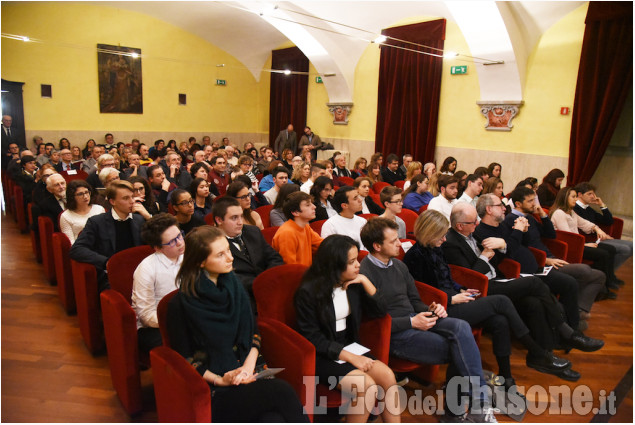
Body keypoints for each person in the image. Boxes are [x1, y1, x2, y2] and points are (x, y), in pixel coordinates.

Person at [403, 212, 567, 404]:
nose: (444, 238)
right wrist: (452, 297)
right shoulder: (415, 256)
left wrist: (461, 289)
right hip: (442, 309)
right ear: (429, 233)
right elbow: (420, 292)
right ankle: (536, 352)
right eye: (440, 235)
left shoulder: (435, 248)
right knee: (501, 302)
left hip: (454, 299)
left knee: (500, 320)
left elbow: (447, 279)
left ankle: (507, 377)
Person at [358, 218, 497, 422]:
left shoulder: (398, 265)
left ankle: (472, 407)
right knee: (460, 349)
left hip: (416, 319)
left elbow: (414, 301)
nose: (400, 244)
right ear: (377, 246)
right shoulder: (365, 273)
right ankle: (460, 410)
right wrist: (411, 322)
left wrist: (432, 309)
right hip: (394, 333)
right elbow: (371, 321)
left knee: (461, 327)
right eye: (393, 241)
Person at [166, 226, 307, 423]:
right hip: (215, 387)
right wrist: (220, 379)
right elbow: (185, 359)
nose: (230, 258)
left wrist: (247, 368)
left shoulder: (234, 285)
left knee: (273, 419)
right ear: (200, 262)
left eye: (228, 251)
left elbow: (253, 333)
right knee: (281, 391)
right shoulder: (180, 305)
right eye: (220, 255)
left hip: (247, 372)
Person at [442, 203, 604, 367]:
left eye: (476, 220)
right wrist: (484, 257)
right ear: (459, 226)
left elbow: (500, 258)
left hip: (497, 279)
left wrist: (501, 245)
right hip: (482, 287)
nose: (477, 224)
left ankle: (543, 353)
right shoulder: (451, 243)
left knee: (533, 302)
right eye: (472, 222)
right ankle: (565, 330)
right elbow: (470, 277)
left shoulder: (473, 234)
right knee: (534, 282)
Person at [294, 235, 401, 423]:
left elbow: (381, 311)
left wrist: (366, 282)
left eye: (357, 259)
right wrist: (349, 356)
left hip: (349, 345)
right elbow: (312, 337)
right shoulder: (308, 291)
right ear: (334, 265)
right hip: (322, 354)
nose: (358, 265)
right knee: (366, 387)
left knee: (387, 376)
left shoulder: (352, 284)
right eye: (352, 262)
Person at [475, 194, 604, 326]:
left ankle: (571, 324)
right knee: (569, 283)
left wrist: (523, 231)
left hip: (536, 266)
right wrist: (515, 234)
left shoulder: (502, 225)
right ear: (489, 210)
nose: (504, 208)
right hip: (523, 272)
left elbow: (523, 243)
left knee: (570, 283)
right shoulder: (483, 232)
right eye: (500, 205)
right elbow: (509, 252)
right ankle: (569, 327)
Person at [503, 186, 619, 300]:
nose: (534, 204)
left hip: (548, 257)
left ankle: (582, 308)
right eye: (530, 201)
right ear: (518, 204)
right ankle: (573, 311)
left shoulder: (531, 218)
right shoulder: (511, 220)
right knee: (583, 272)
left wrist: (543, 215)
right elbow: (520, 248)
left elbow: (551, 235)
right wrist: (545, 260)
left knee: (599, 275)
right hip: (540, 262)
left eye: (534, 200)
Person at [69, 180, 145, 291]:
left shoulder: (139, 219)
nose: (132, 201)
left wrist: (148, 216)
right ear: (112, 201)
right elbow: (76, 249)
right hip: (112, 275)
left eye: (132, 197)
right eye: (125, 198)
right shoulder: (97, 222)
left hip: (138, 272)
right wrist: (106, 262)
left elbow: (157, 243)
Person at [212, 197, 284, 310]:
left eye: (241, 216)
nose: (240, 222)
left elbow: (274, 258)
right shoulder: (212, 243)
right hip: (241, 300)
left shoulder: (253, 231)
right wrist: (260, 283)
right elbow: (225, 278)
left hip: (270, 289)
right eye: (234, 218)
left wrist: (268, 279)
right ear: (219, 220)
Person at [549, 187, 621, 290]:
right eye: (573, 197)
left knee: (610, 249)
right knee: (603, 254)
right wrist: (585, 245)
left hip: (577, 244)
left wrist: (597, 229)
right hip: (570, 247)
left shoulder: (571, 212)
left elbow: (584, 223)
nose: (575, 200)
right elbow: (568, 236)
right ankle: (603, 287)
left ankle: (608, 280)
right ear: (564, 198)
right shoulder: (559, 213)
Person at [132, 213, 183, 354]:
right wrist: (177, 321)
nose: (180, 243)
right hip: (155, 326)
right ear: (158, 248)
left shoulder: (188, 257)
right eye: (172, 241)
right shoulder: (146, 269)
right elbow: (146, 315)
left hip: (186, 317)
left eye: (179, 236)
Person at [573, 182, 633, 270]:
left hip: (599, 238)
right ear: (580, 194)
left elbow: (608, 221)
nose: (593, 196)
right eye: (589, 194)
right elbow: (584, 227)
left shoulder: (588, 208)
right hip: (590, 241)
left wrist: (602, 205)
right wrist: (601, 233)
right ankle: (609, 274)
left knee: (632, 245)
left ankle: (610, 274)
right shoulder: (575, 208)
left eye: (593, 194)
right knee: (625, 249)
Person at [272, 191, 323, 266]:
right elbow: (290, 268)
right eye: (308, 205)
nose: (314, 207)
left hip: (306, 273)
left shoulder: (305, 227)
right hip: (296, 275)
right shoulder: (287, 233)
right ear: (295, 212)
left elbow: (322, 245)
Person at [59, 180, 106, 245]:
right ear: (72, 197)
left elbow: (105, 233)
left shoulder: (99, 209)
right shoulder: (66, 216)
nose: (85, 196)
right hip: (81, 248)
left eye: (87, 192)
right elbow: (70, 242)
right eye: (80, 194)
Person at [321, 186, 367, 250]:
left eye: (358, 196)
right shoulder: (330, 225)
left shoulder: (363, 221)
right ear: (344, 205)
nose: (360, 200)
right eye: (355, 198)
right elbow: (330, 252)